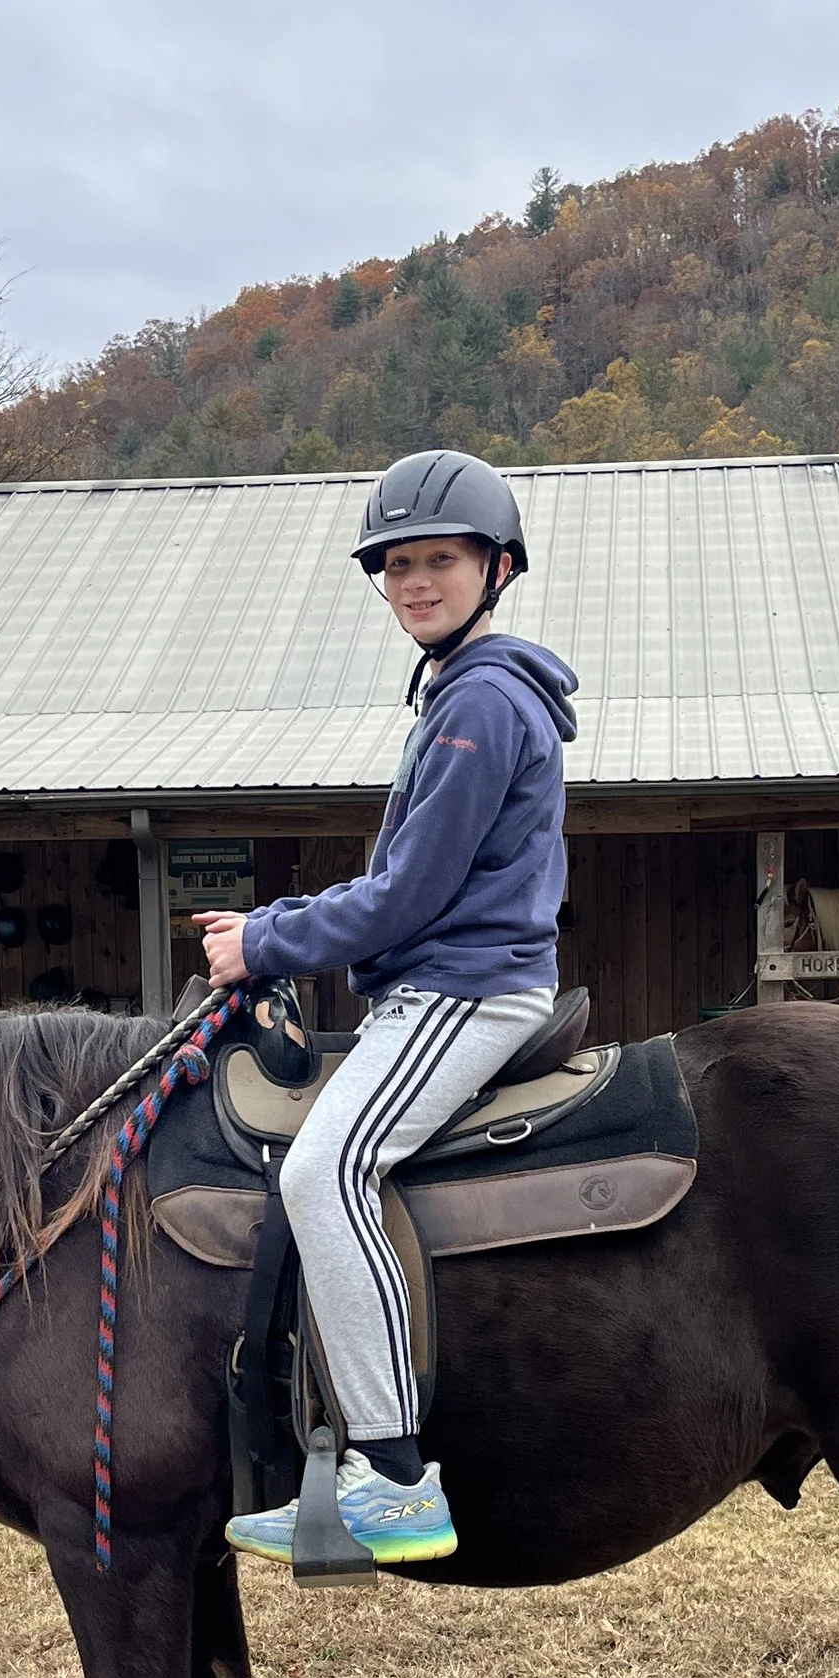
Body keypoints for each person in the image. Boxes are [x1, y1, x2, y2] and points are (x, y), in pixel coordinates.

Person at [194, 449, 578, 1567]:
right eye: (397, 566)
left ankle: (397, 1478)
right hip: (445, 978)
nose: (416, 583)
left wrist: (265, 940)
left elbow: (410, 893)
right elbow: (400, 879)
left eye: (440, 560)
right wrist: (275, 921)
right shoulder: (460, 694)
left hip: (466, 991)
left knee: (325, 1169)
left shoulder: (479, 705)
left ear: (497, 567)